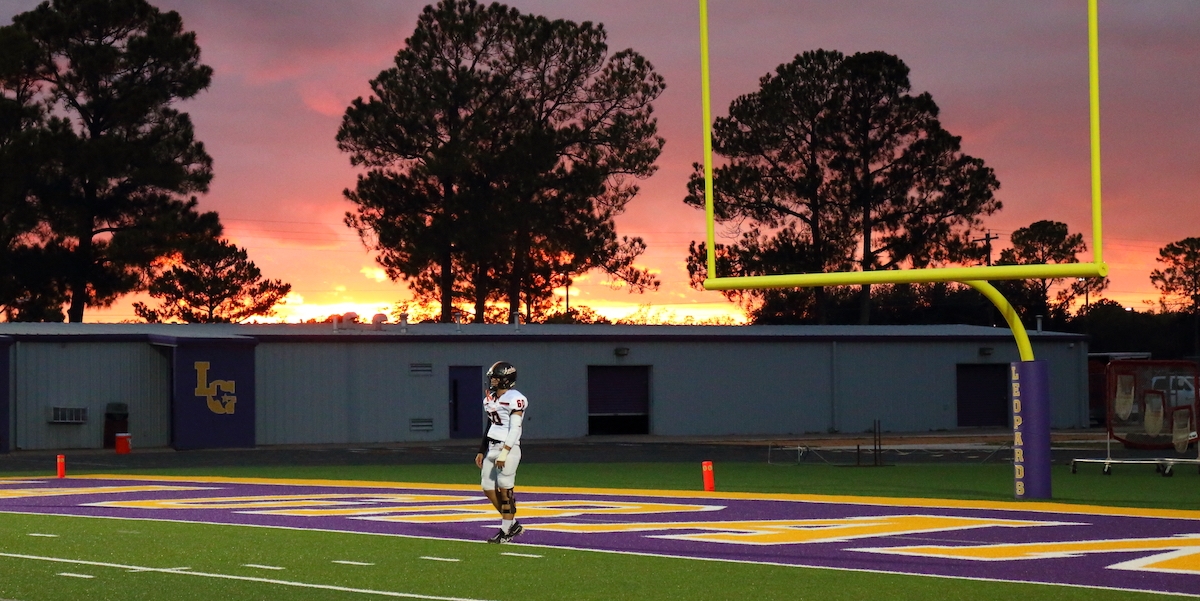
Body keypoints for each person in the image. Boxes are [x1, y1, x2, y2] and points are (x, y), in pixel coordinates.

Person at [475, 361, 527, 543]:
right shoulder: (491, 398)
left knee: (506, 491)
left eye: (496, 378)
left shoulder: (515, 398)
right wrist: (482, 449)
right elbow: (491, 423)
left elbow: (515, 429)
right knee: (487, 488)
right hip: (492, 447)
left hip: (508, 448)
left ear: (506, 380)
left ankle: (506, 531)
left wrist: (505, 452)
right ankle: (512, 524)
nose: (493, 381)